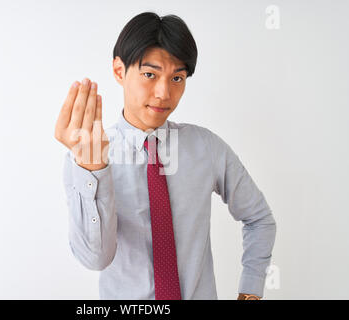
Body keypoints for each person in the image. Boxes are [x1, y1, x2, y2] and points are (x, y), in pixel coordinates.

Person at [54, 11, 276, 300]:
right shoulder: (88, 153)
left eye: (177, 78)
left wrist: (251, 292)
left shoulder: (206, 147)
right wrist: (92, 167)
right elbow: (95, 259)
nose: (164, 92)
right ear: (119, 71)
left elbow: (259, 218)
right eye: (150, 74)